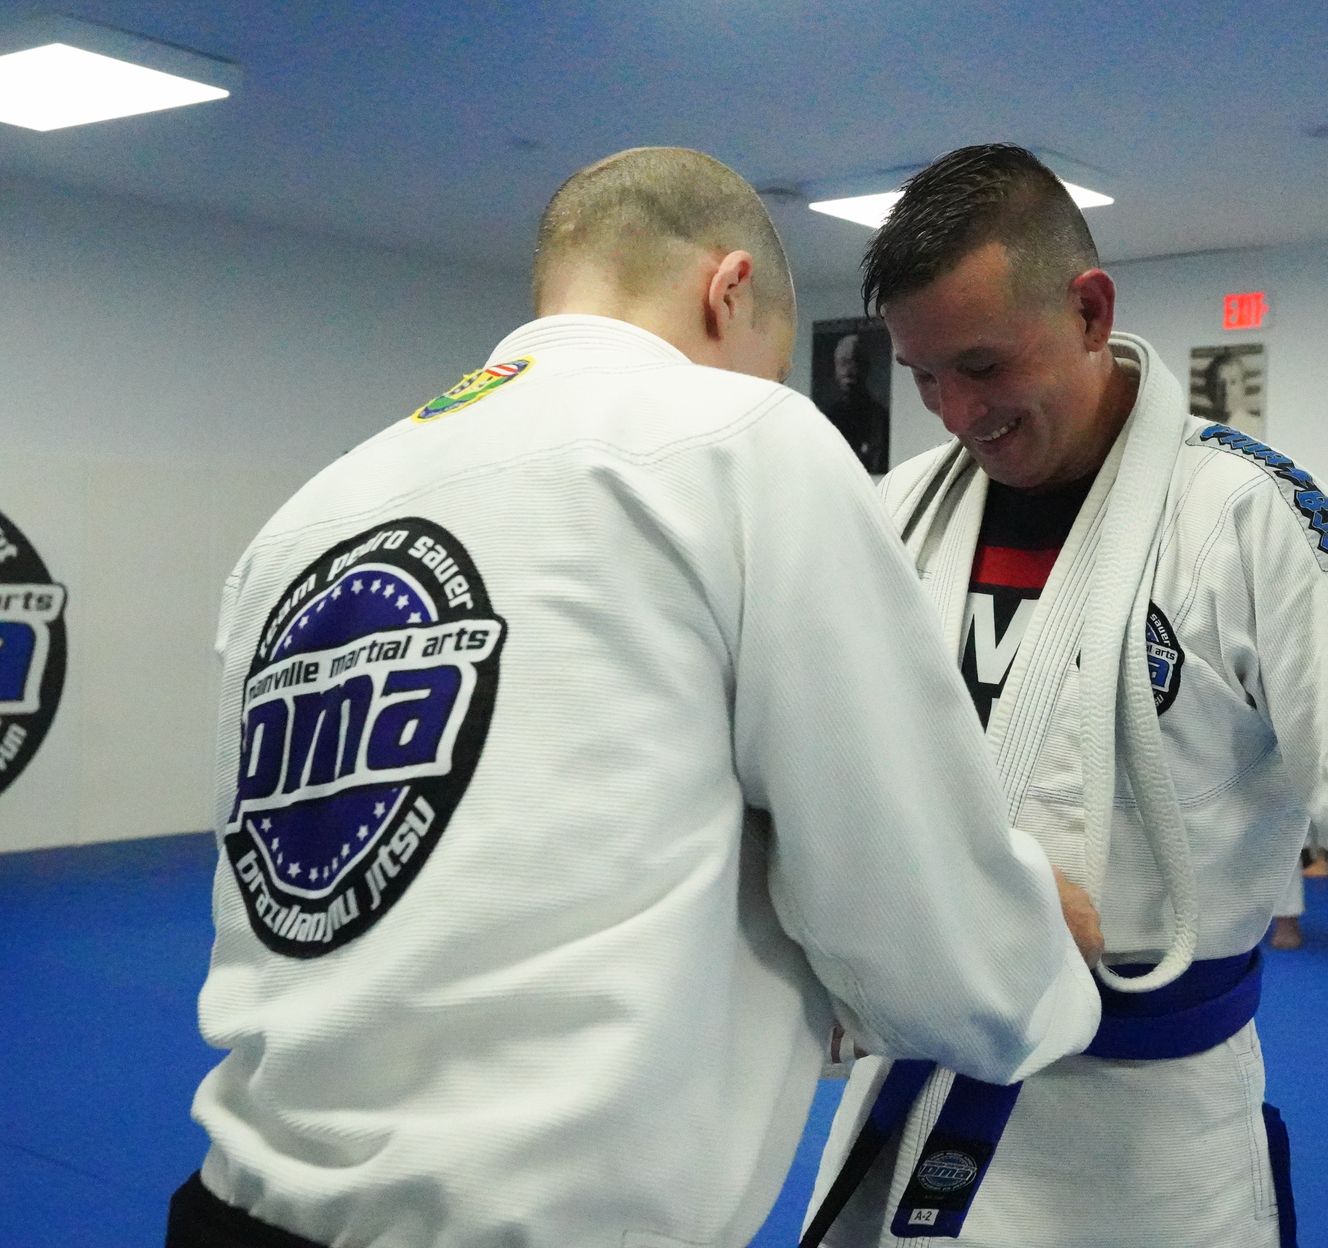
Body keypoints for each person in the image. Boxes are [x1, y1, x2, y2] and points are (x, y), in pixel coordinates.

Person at [165, 147, 1106, 1248]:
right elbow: (925, 930)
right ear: (730, 290)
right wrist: (1041, 933)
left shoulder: (303, 520)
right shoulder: (743, 438)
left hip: (232, 1207)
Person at [804, 144, 1328, 1248]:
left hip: (1139, 1139)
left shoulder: (1249, 516)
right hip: (912, 1093)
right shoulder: (898, 511)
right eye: (924, 375)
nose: (957, 410)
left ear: (1089, 308)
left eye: (981, 363)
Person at [816, 328, 890, 472]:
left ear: (865, 367)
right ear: (835, 368)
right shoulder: (825, 418)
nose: (848, 370)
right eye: (843, 362)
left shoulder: (879, 417)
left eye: (855, 362)